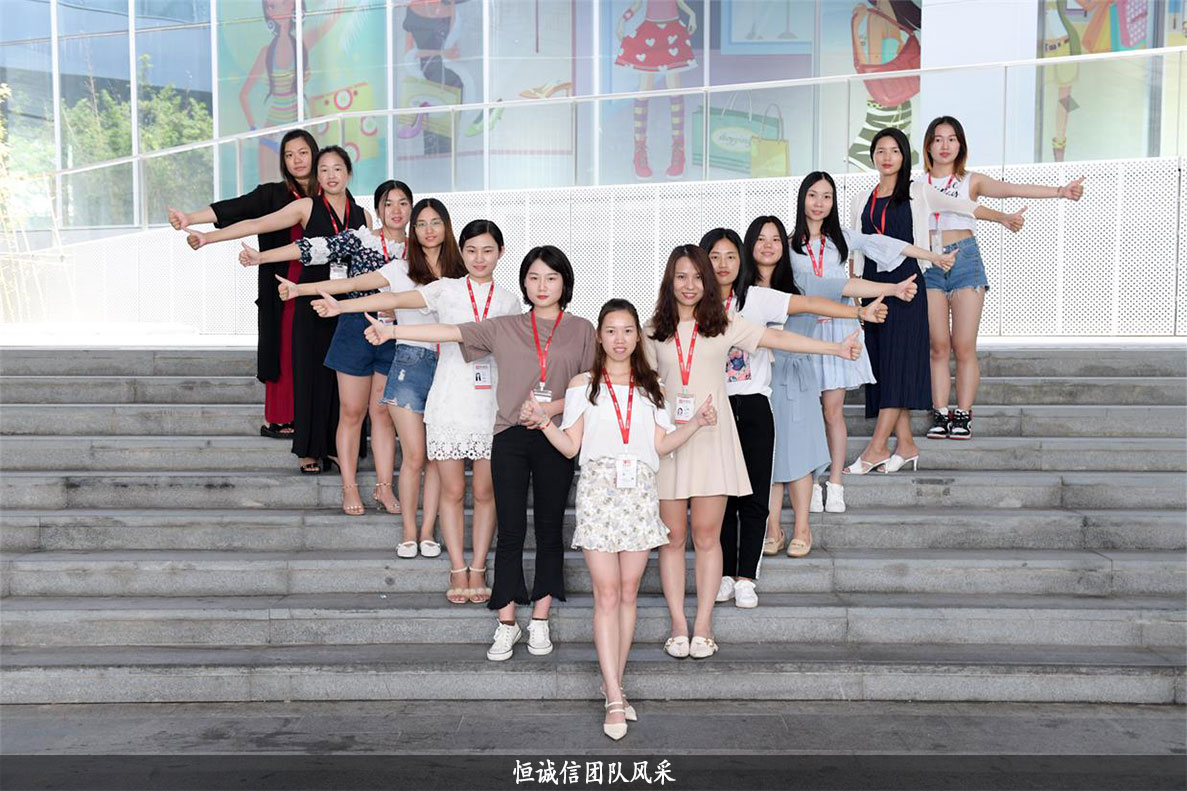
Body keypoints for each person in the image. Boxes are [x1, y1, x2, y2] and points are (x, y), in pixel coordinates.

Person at [360, 246, 596, 661]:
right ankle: (506, 621)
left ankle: (540, 619)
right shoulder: (505, 325)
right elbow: (450, 332)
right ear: (524, 283)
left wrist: (550, 410)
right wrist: (393, 333)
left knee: (548, 529)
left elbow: (591, 386)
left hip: (557, 437)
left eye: (551, 278)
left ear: (565, 283)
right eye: (534, 278)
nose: (542, 286)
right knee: (510, 531)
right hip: (508, 436)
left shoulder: (581, 329)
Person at [645, 245, 862, 660]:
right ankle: (678, 625)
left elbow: (776, 338)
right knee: (672, 540)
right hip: (670, 442)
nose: (689, 285)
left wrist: (835, 349)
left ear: (708, 283)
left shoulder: (723, 322)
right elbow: (634, 378)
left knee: (707, 536)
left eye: (697, 277)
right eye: (681, 277)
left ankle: (703, 625)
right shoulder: (653, 329)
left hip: (712, 438)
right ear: (669, 281)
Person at [531, 299, 715, 741]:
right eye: (611, 330)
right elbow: (571, 446)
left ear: (637, 336)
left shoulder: (652, 387)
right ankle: (614, 695)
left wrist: (696, 423)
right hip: (599, 492)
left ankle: (614, 680)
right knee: (607, 593)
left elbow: (661, 444)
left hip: (639, 494)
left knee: (629, 592)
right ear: (599, 336)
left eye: (628, 330)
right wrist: (542, 423)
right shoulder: (582, 385)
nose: (619, 339)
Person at [309, 219, 520, 603]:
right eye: (472, 250)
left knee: (486, 491)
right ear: (462, 251)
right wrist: (343, 305)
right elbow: (392, 300)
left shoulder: (509, 301)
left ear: (501, 253)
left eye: (488, 250)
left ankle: (478, 568)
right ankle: (457, 567)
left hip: (490, 406)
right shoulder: (445, 289)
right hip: (449, 399)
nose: (479, 258)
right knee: (453, 490)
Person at [701, 225, 906, 601]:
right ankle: (725, 573)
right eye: (714, 257)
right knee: (721, 496)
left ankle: (746, 578)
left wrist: (856, 315)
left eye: (730, 256)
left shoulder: (756, 298)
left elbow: (807, 306)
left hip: (755, 401)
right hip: (711, 408)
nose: (723, 264)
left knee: (754, 495)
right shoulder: (695, 303)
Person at [845, 128, 1023, 476]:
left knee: (897, 366)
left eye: (894, 151)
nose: (886, 157)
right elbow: (856, 248)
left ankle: (876, 448)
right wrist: (857, 298)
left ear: (904, 156)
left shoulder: (918, 191)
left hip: (909, 285)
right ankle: (906, 444)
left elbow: (965, 207)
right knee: (882, 367)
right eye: (880, 151)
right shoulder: (861, 198)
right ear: (873, 156)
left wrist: (1003, 218)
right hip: (874, 288)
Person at [184, 146, 369, 475]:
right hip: (310, 302)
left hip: (347, 305)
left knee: (341, 381)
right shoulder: (306, 206)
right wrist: (210, 238)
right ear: (317, 175)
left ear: (349, 173)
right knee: (310, 376)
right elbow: (258, 222)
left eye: (337, 169)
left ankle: (336, 447)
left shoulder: (363, 216)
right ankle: (308, 450)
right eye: (324, 170)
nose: (331, 176)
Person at [294, 198, 464, 555]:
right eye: (421, 224)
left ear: (447, 227)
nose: (428, 230)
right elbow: (361, 288)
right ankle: (408, 531)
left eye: (435, 223)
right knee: (415, 454)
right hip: (410, 363)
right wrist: (304, 291)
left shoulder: (460, 272)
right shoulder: (401, 266)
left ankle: (428, 531)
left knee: (436, 455)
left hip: (451, 367)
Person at [238, 180, 413, 517]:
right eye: (388, 203)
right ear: (377, 210)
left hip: (395, 336)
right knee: (352, 411)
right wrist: (263, 257)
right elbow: (312, 249)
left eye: (403, 203)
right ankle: (349, 487)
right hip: (355, 329)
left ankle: (383, 486)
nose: (396, 210)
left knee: (382, 414)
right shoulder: (361, 238)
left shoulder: (418, 248)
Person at [787, 171, 953, 514]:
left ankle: (835, 483)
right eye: (813, 195)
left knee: (832, 412)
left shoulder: (842, 239)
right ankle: (812, 482)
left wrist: (931, 257)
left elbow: (888, 244)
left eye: (827, 197)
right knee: (807, 414)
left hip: (838, 330)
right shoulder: (788, 245)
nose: (819, 203)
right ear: (802, 198)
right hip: (805, 332)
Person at [922, 116, 1083, 440]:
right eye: (938, 139)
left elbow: (1011, 189)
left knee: (963, 346)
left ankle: (963, 414)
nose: (945, 145)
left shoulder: (971, 180)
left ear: (960, 145)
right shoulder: (917, 184)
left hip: (965, 259)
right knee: (938, 346)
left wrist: (1059, 191)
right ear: (928, 146)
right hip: (928, 261)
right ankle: (940, 412)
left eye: (952, 139)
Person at [167, 129, 319, 441]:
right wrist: (191, 219)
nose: (297, 160)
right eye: (289, 155)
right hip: (282, 288)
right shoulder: (273, 194)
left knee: (318, 352)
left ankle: (318, 415)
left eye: (303, 152)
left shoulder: (329, 194)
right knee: (284, 352)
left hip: (321, 285)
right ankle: (281, 417)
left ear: (315, 155)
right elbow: (236, 210)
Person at [614, 0, 698, 178]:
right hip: (650, 30)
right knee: (645, 88)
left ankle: (678, 150)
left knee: (674, 88)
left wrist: (692, 14)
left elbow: (679, 2)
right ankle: (639, 150)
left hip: (673, 30)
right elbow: (637, 4)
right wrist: (623, 20)